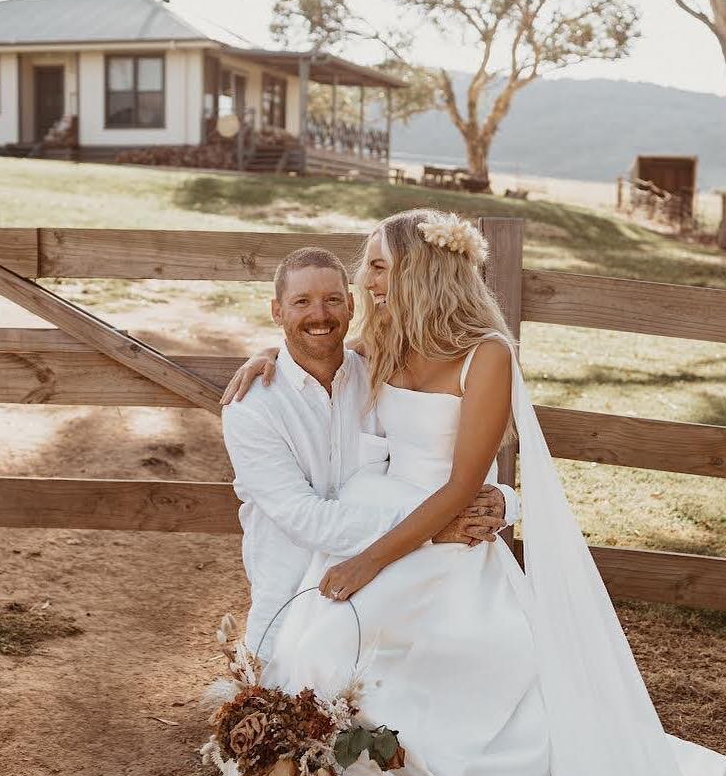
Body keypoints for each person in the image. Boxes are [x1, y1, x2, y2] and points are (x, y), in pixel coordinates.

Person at [202, 212, 726, 776]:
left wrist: (397, 547)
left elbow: (463, 480)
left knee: (441, 671)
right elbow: (320, 347)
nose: (360, 283)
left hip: (439, 538)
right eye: (363, 270)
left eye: (374, 267)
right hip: (388, 521)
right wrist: (269, 355)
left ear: (418, 271)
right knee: (326, 647)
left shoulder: (483, 354)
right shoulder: (385, 338)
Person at [218, 246, 519, 663]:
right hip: (294, 598)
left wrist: (501, 499)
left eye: (333, 300)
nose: (319, 315)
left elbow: (436, 451)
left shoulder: (381, 371)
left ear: (352, 304)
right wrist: (432, 532)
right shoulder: (253, 406)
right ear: (276, 311)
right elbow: (304, 517)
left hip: (398, 584)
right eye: (301, 302)